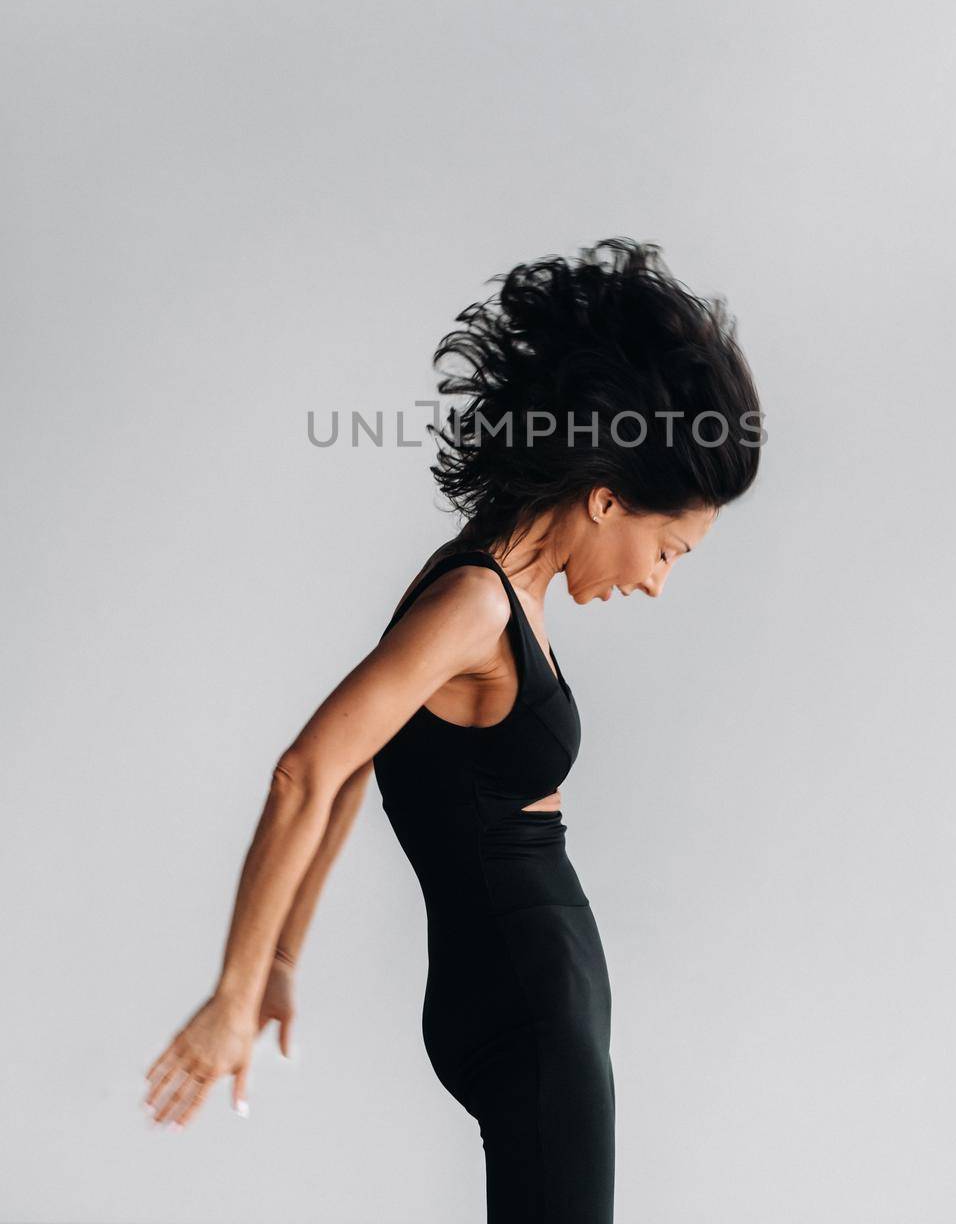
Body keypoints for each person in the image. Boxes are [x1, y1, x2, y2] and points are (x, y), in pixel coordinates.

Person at [143, 237, 762, 1222]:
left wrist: (284, 960)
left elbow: (357, 772)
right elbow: (306, 772)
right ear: (605, 500)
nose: (656, 578)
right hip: (527, 1009)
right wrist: (231, 987)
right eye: (666, 547)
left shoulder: (482, 578)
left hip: (524, 999)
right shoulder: (476, 604)